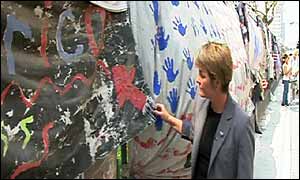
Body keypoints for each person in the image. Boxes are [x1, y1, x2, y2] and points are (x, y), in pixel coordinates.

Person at [153, 42, 255, 179]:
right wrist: (167, 117)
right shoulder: (202, 106)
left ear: (217, 81)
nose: (197, 80)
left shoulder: (242, 124)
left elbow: (244, 174)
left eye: (202, 75)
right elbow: (195, 132)